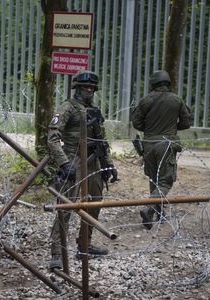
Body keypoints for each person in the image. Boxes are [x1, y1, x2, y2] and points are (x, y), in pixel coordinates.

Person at [47, 70, 118, 269]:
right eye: (85, 87)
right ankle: (56, 252)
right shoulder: (67, 108)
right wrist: (64, 163)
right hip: (73, 160)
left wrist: (109, 164)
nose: (89, 90)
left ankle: (84, 245)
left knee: (95, 204)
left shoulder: (94, 110)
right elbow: (52, 138)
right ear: (77, 87)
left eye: (92, 87)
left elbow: (102, 140)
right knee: (66, 207)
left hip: (94, 161)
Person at [132, 70, 191, 230]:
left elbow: (136, 123)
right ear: (168, 83)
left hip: (149, 144)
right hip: (167, 143)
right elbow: (186, 123)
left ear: (153, 84)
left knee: (154, 178)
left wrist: (150, 129)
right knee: (166, 180)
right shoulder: (177, 100)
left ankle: (159, 212)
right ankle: (149, 208)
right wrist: (172, 127)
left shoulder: (146, 100)